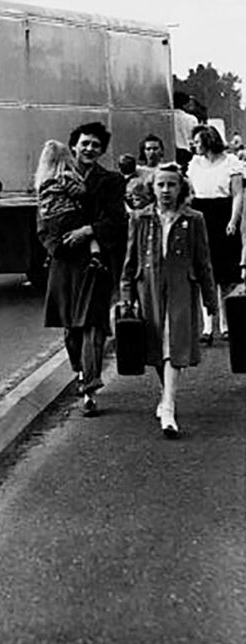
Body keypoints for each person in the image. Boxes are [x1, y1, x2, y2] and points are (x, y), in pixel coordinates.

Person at [120, 163, 216, 438]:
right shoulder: (140, 219)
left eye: (171, 185)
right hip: (148, 288)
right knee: (155, 345)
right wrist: (126, 294)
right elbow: (130, 261)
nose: (165, 190)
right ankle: (166, 395)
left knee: (173, 343)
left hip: (181, 288)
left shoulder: (194, 219)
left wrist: (210, 298)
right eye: (160, 184)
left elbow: (203, 260)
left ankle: (169, 407)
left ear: (180, 188)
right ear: (152, 188)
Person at [43, 122, 126, 416]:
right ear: (74, 146)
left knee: (92, 323)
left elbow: (117, 221)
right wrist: (55, 246)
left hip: (96, 261)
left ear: (102, 150)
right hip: (65, 260)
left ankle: (90, 388)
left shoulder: (112, 181)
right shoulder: (54, 177)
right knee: (71, 328)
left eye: (96, 145)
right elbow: (43, 218)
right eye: (85, 143)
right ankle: (80, 371)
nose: (90, 149)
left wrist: (88, 231)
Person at [187, 124, 244, 344]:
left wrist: (233, 220)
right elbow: (190, 193)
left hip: (223, 213)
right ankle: (208, 327)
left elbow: (238, 194)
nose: (195, 145)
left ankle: (226, 325)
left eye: (198, 141)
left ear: (209, 141)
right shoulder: (194, 164)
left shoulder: (232, 163)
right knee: (204, 272)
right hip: (201, 215)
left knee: (226, 276)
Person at [34, 139, 101, 261]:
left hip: (50, 218)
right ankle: (95, 256)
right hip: (68, 215)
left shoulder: (43, 182)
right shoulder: (65, 176)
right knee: (90, 230)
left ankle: (51, 256)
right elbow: (79, 192)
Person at [173, 91, 199, 172]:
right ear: (185, 104)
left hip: (171, 151)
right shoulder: (191, 119)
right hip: (186, 152)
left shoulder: (166, 119)